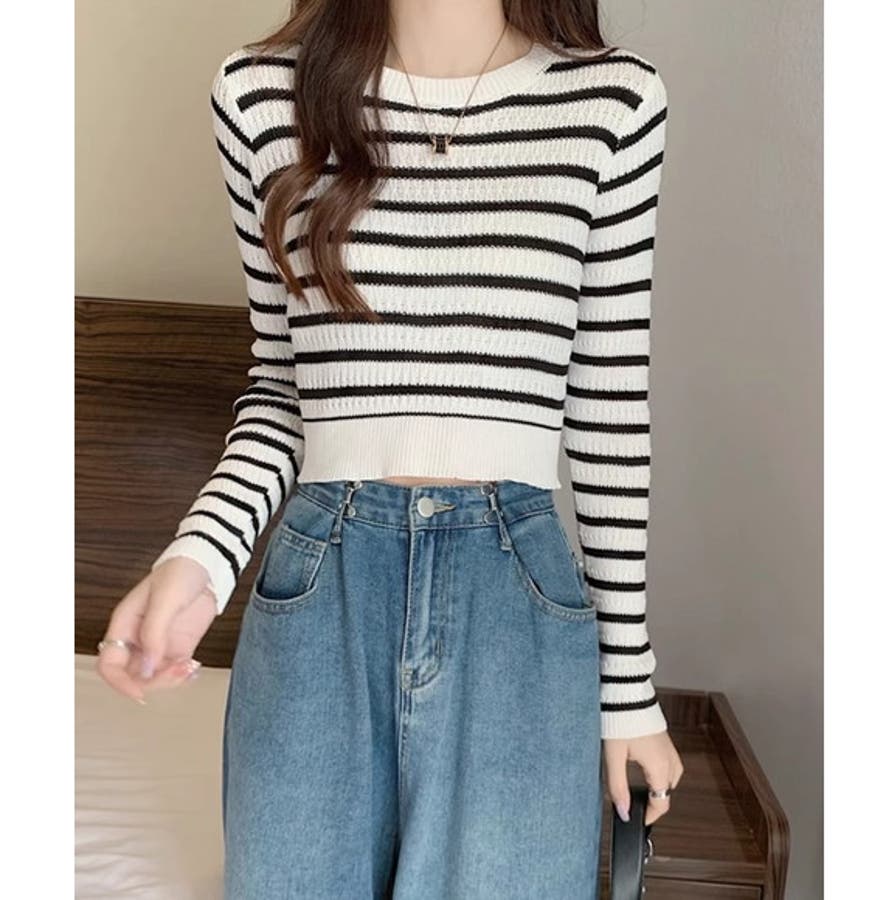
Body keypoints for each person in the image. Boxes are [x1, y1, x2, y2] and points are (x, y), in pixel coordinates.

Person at [96, 1, 684, 896]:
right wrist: (199, 560)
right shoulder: (259, 95)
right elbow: (283, 394)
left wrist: (628, 692)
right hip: (318, 593)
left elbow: (608, 412)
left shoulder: (613, 102)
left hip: (517, 603)